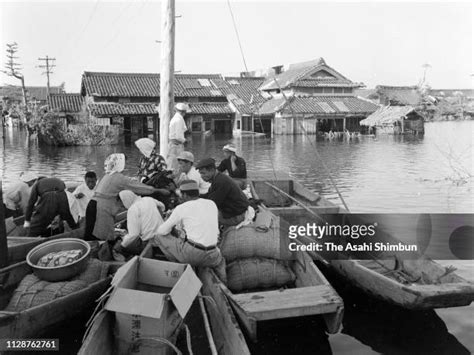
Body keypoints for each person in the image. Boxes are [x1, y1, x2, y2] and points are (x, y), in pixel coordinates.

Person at [154, 180, 226, 281]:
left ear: (185, 195)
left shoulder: (181, 208)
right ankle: (224, 283)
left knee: (158, 237)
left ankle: (178, 265)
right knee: (220, 261)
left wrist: (170, 222)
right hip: (213, 254)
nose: (181, 197)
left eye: (181, 195)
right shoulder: (211, 203)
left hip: (192, 255)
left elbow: (162, 231)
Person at [84, 153, 161, 241]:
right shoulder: (119, 178)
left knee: (89, 234)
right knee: (104, 237)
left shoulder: (107, 175)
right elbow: (139, 187)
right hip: (101, 209)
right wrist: (157, 190)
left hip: (92, 204)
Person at [196, 158, 250, 227]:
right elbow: (209, 195)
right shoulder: (218, 178)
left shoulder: (221, 182)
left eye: (203, 173)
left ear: (212, 170)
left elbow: (212, 204)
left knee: (201, 217)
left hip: (237, 216)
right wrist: (196, 196)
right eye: (200, 173)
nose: (201, 176)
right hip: (233, 212)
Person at [113, 190, 166, 256]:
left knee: (121, 247)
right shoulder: (148, 199)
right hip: (163, 237)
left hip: (151, 242)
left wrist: (121, 245)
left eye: (122, 205)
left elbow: (133, 235)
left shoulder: (132, 209)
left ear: (125, 201)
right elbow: (162, 206)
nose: (123, 207)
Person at [167, 103, 190, 174]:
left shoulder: (176, 118)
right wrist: (185, 141)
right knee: (176, 166)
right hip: (176, 145)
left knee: (172, 164)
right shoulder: (178, 120)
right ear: (184, 112)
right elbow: (178, 136)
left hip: (173, 144)